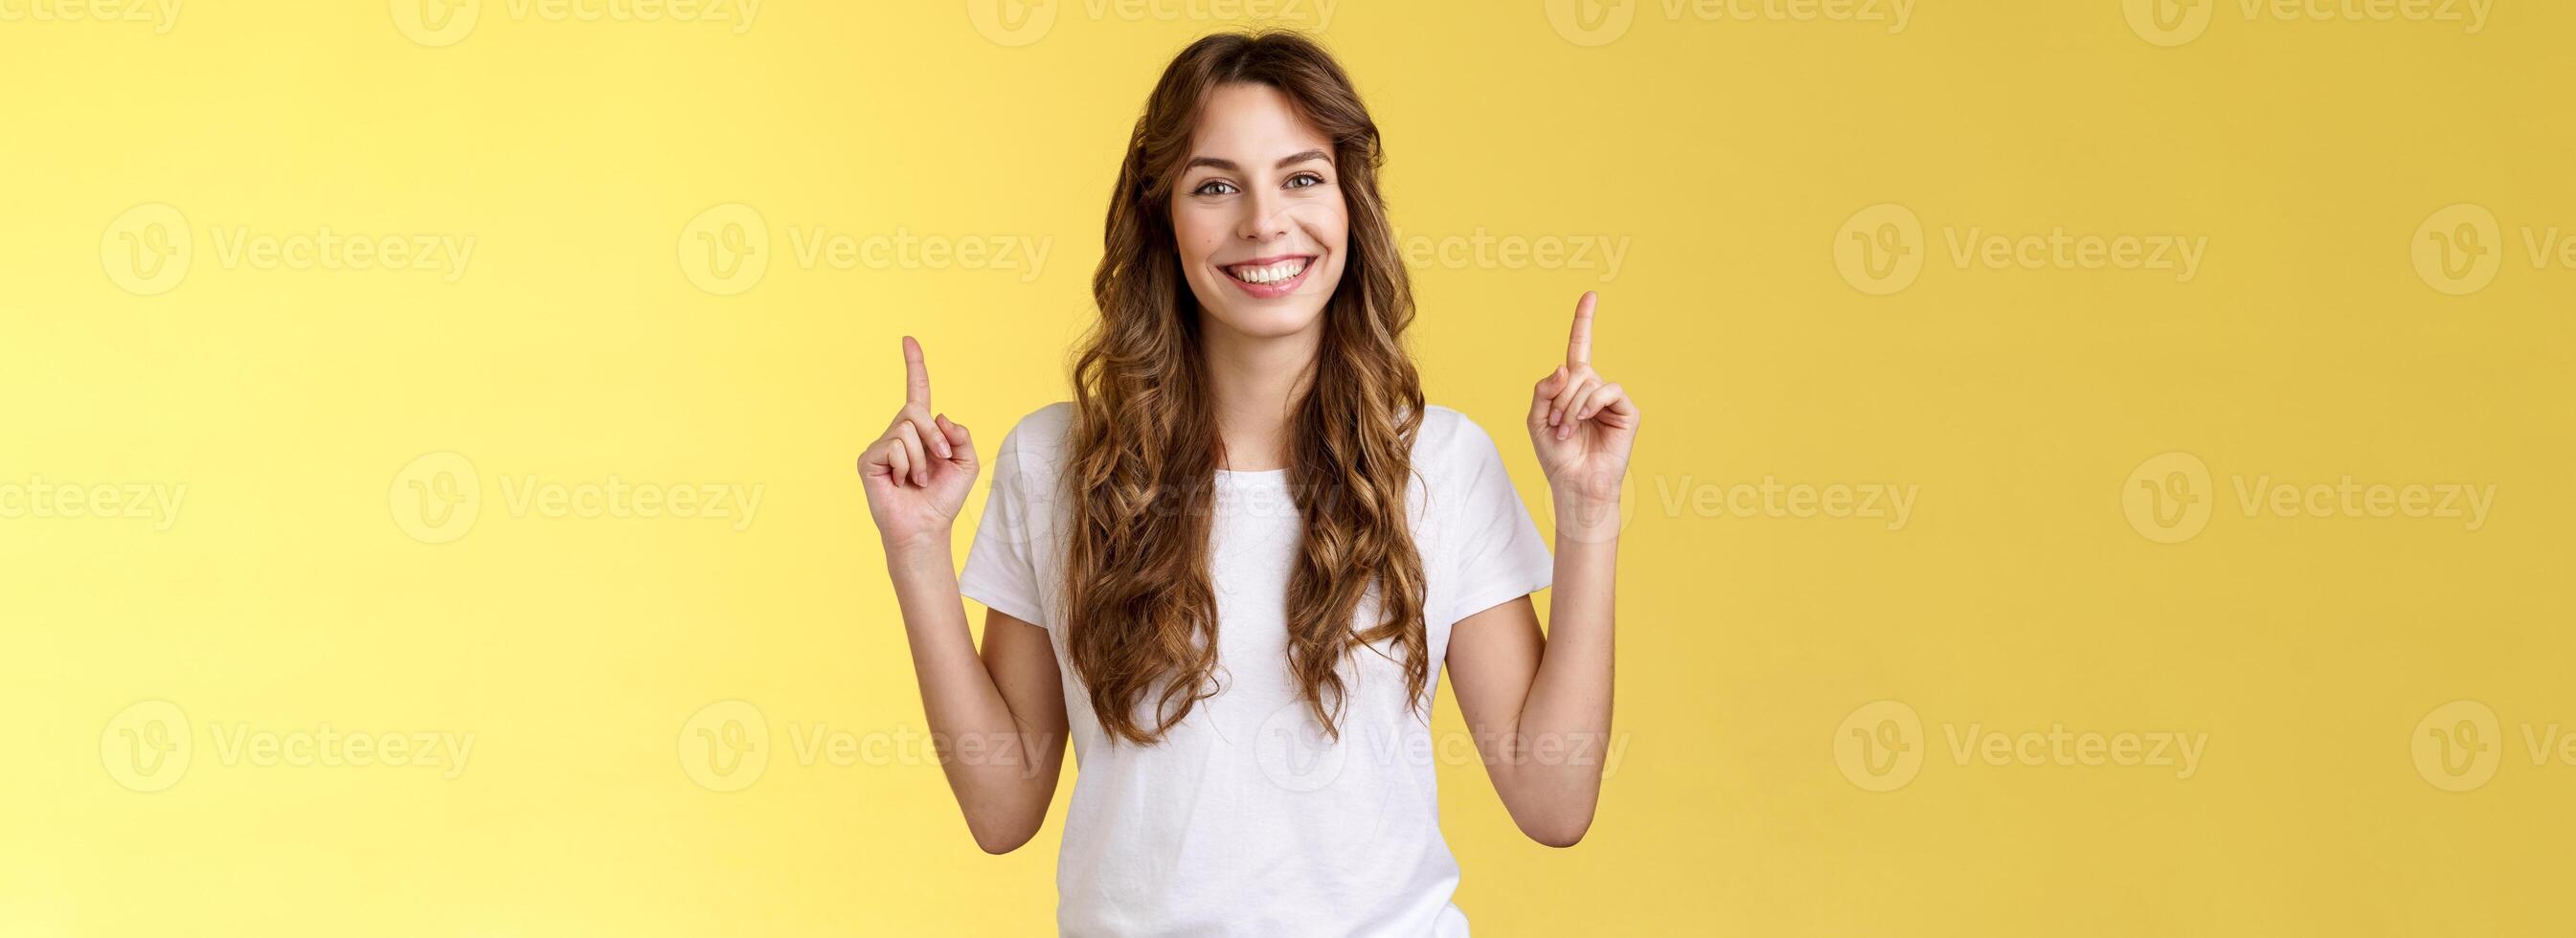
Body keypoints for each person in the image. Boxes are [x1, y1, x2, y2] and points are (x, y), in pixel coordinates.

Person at [857, 30, 1638, 936]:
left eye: (1302, 177)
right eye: (1215, 185)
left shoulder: (1442, 463)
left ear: (1351, 207)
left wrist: (1589, 513)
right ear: (1163, 219)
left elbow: (1554, 801)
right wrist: (915, 550)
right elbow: (1003, 811)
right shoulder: (1058, 464)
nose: (1264, 221)